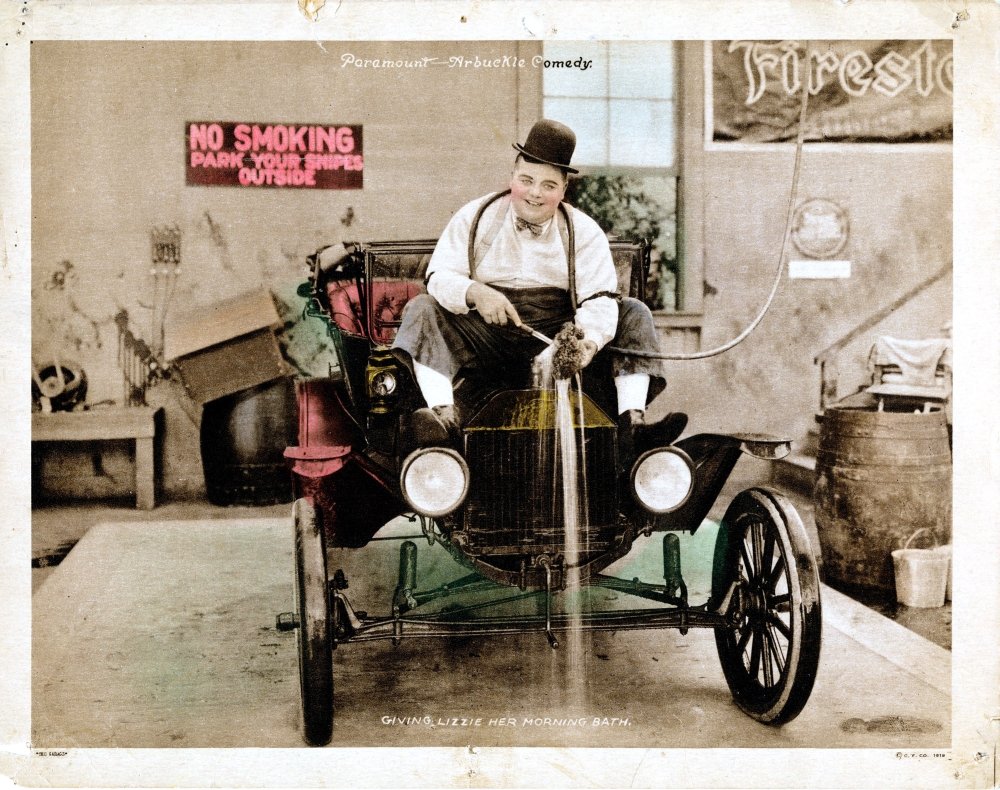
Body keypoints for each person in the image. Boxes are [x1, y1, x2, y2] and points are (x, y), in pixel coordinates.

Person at [391, 119, 685, 470]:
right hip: (484, 337)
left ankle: (631, 427)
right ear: (512, 178)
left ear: (563, 190)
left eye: (548, 185)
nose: (534, 193)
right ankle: (445, 422)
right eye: (526, 180)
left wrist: (586, 342)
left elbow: (600, 299)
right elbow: (439, 277)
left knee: (635, 311)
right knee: (422, 308)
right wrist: (476, 293)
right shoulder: (475, 217)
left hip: (553, 334)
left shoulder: (584, 233)